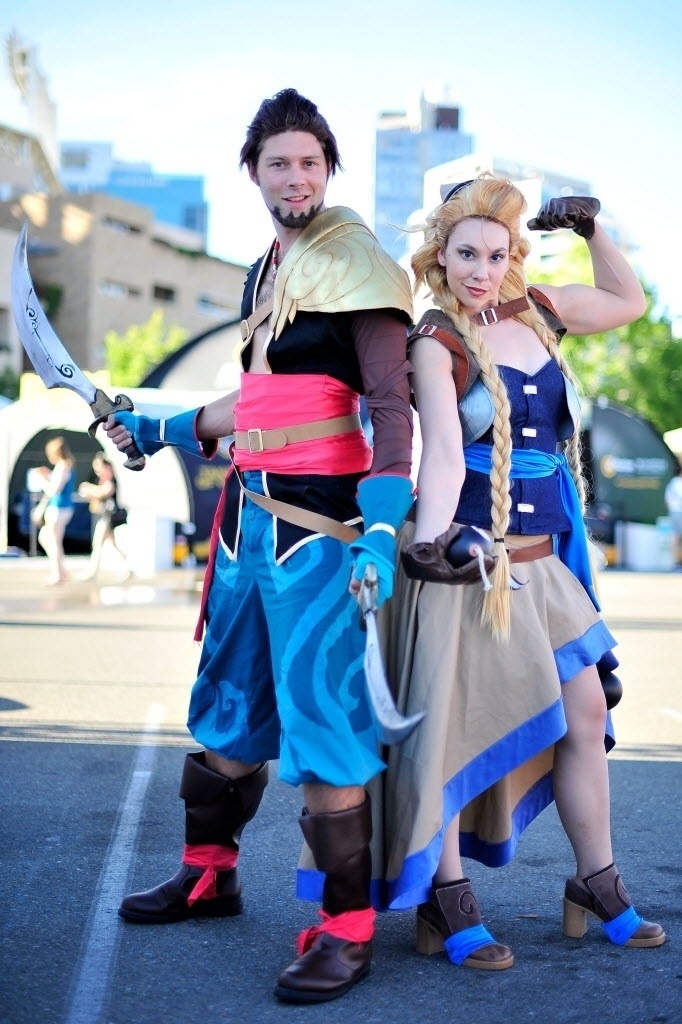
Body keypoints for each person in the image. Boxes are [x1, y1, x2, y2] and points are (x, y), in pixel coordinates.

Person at [103, 88, 414, 1004]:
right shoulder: (265, 270)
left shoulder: (361, 266)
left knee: (325, 727)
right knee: (226, 708)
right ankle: (209, 872)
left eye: (311, 161)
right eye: (279, 161)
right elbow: (255, 401)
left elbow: (390, 411)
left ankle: (347, 930)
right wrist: (162, 427)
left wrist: (385, 529)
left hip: (319, 537)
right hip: (246, 524)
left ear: (330, 170)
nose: (296, 176)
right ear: (255, 172)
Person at [380, 174, 665, 971]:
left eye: (496, 252)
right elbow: (439, 453)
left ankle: (595, 882)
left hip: (548, 567)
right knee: (448, 732)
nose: (480, 268)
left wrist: (594, 230)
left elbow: (628, 302)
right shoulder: (433, 340)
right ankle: (448, 894)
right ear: (442, 253)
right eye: (466, 252)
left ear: (513, 253)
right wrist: (431, 544)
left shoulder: (538, 310)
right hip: (467, 568)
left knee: (584, 718)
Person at [77, 453, 130, 580]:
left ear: (107, 467)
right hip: (103, 516)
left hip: (108, 518)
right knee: (112, 545)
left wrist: (88, 489)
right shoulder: (102, 482)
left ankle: (92, 572)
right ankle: (128, 568)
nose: (98, 472)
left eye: (99, 468)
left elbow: (102, 493)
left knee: (98, 543)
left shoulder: (110, 482)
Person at [32, 436, 75, 585]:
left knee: (53, 541)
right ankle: (61, 571)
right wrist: (48, 475)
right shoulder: (65, 466)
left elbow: (53, 490)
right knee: (46, 537)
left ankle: (58, 574)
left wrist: (42, 480)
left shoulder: (62, 466)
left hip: (58, 509)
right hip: (61, 509)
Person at [664, 460, 682, 565]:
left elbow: (666, 500)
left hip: (673, 511)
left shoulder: (672, 483)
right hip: (678, 511)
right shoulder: (678, 483)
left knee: (675, 535)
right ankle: (676, 559)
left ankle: (675, 559)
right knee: (676, 536)